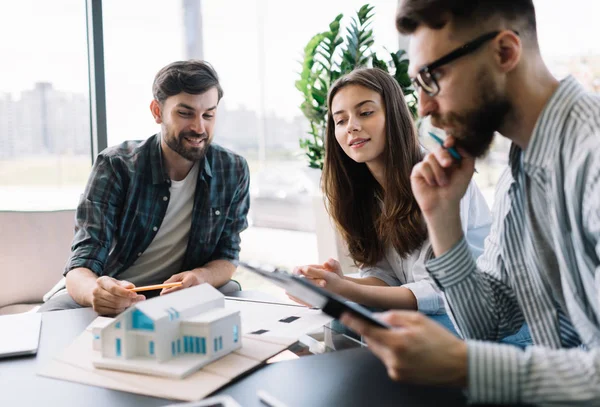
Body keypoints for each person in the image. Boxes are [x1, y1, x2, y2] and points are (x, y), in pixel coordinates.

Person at [341, 1, 600, 405]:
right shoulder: (522, 168)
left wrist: (468, 365)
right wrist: (443, 219)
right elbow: (489, 323)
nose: (423, 108)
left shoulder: (592, 155)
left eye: (433, 77)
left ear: (504, 53)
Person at [293, 68, 495, 337]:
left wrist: (345, 290)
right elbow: (386, 278)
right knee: (342, 323)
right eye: (340, 121)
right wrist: (335, 283)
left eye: (365, 112)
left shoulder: (437, 176)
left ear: (395, 116)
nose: (351, 126)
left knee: (383, 331)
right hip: (440, 312)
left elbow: (438, 292)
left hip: (486, 316)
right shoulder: (362, 192)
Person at [40, 60, 250, 316]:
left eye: (208, 115)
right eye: (185, 113)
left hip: (177, 297)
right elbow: (82, 264)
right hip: (112, 293)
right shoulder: (117, 166)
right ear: (157, 111)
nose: (198, 127)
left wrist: (201, 276)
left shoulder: (232, 169)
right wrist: (98, 293)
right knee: (52, 316)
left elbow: (228, 256)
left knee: (232, 292)